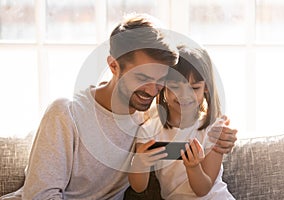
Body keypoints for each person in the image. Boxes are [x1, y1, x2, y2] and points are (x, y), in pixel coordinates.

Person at [0, 14, 236, 200]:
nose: (152, 90)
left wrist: (222, 138)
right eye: (142, 77)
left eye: (160, 80)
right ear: (113, 66)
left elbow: (194, 119)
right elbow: (40, 196)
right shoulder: (67, 112)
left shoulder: (149, 119)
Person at [128, 45, 237, 199]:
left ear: (206, 88)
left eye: (194, 87)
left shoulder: (213, 129)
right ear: (163, 87)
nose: (184, 96)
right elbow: (139, 187)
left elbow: (203, 189)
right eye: (174, 87)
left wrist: (193, 167)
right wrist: (140, 163)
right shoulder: (150, 130)